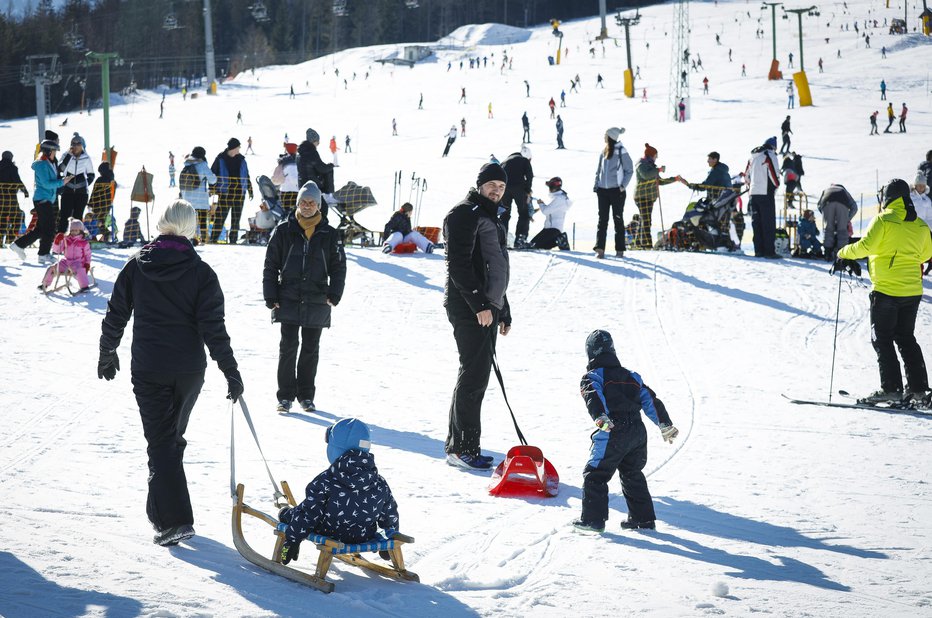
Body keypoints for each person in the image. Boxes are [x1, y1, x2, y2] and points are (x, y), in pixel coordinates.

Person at [98, 200, 243, 546]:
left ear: (162, 223)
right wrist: (230, 369)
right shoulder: (201, 272)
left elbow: (116, 313)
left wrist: (107, 351)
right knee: (168, 441)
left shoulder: (136, 266)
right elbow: (213, 327)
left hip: (150, 367)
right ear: (190, 228)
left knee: (163, 443)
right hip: (189, 371)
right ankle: (161, 513)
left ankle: (174, 520)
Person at [835, 179, 932, 404]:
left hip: (887, 291)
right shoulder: (919, 225)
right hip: (912, 291)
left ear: (887, 197)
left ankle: (892, 389)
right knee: (906, 338)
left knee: (883, 339)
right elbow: (927, 253)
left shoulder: (883, 220)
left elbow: (865, 247)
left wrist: (843, 252)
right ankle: (918, 390)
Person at [443, 163, 512, 470]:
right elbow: (458, 265)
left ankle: (463, 445)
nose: (497, 190)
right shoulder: (463, 214)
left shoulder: (490, 216)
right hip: (469, 306)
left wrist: (502, 308)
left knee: (478, 375)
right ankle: (461, 449)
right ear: (480, 185)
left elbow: (494, 267)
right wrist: (479, 305)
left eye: (501, 186)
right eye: (492, 185)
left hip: (487, 307)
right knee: (473, 375)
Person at [573, 330, 678, 533]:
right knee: (632, 473)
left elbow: (593, 396)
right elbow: (650, 400)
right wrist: (664, 423)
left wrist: (601, 417)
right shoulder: (631, 376)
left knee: (596, 474)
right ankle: (643, 519)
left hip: (612, 428)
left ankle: (593, 520)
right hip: (637, 432)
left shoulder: (592, 376)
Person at [263, 181, 346, 414]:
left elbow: (338, 266)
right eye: (303, 202)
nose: (307, 206)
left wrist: (335, 293)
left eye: (311, 202)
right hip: (288, 296)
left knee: (311, 347)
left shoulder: (329, 234)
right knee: (288, 346)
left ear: (318, 205)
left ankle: (306, 396)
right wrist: (270, 294)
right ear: (297, 203)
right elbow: (271, 265)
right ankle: (285, 396)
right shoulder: (283, 230)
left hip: (318, 298)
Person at [277, 418, 399, 564]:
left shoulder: (325, 480)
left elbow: (309, 514)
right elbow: (389, 512)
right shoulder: (379, 482)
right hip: (364, 535)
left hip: (329, 533)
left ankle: (286, 513)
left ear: (335, 449)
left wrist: (292, 540)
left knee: (295, 514)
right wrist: (390, 539)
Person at [10, 140, 72, 264]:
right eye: (54, 151)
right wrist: (62, 182)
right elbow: (46, 183)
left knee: (41, 229)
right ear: (49, 151)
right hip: (42, 199)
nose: (55, 154)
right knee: (49, 228)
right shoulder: (42, 165)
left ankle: (19, 245)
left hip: (47, 199)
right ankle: (43, 254)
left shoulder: (50, 162)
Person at [593, 127, 634, 258]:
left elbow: (629, 170)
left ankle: (620, 250)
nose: (603, 137)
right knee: (602, 220)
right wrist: (596, 185)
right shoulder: (603, 151)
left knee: (618, 219)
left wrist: (622, 186)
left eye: (605, 135)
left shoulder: (621, 150)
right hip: (603, 191)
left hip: (617, 191)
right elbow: (598, 170)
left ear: (611, 137)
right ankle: (600, 249)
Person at [632, 144, 677, 250]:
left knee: (644, 219)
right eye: (656, 155)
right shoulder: (641, 164)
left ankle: (638, 243)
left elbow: (659, 181)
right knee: (647, 220)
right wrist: (659, 170)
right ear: (651, 155)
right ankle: (647, 245)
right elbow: (646, 175)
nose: (656, 158)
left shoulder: (652, 166)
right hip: (641, 196)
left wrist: (674, 179)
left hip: (649, 197)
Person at [210, 138, 253, 244]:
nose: (239, 149)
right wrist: (212, 188)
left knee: (236, 219)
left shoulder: (241, 159)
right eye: (238, 147)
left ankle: (233, 240)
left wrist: (250, 189)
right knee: (220, 217)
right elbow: (212, 174)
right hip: (225, 193)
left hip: (239, 193)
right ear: (233, 148)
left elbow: (246, 175)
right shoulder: (220, 158)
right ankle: (213, 239)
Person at [745, 136, 781, 259]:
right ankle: (769, 252)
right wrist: (776, 185)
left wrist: (751, 187)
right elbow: (773, 172)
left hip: (753, 194)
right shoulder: (769, 155)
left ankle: (758, 251)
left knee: (757, 223)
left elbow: (746, 176)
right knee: (768, 223)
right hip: (766, 193)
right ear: (773, 146)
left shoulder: (752, 157)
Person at [42, 217, 93, 292]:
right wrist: (57, 241)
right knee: (52, 268)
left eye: (76, 230)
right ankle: (45, 284)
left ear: (81, 231)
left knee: (80, 270)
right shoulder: (66, 239)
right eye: (72, 230)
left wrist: (87, 264)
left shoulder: (83, 242)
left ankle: (84, 287)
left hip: (78, 262)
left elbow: (88, 254)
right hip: (66, 262)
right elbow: (57, 250)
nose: (74, 232)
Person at [58, 133, 95, 233]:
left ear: (82, 145)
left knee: (77, 218)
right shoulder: (66, 155)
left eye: (78, 144)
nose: (75, 146)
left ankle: (77, 240)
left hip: (81, 193)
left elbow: (91, 174)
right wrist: (69, 156)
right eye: (73, 144)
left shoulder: (86, 157)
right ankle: (60, 240)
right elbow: (60, 169)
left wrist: (85, 184)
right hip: (67, 191)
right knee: (65, 217)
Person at [179, 146, 217, 243]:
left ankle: (187, 238)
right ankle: (203, 239)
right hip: (200, 198)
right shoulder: (202, 165)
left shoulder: (186, 164)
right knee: (202, 220)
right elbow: (212, 180)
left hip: (187, 198)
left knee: (189, 220)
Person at [296, 128, 335, 218]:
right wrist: (331, 165)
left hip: (302, 185)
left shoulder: (300, 153)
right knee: (323, 208)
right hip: (312, 185)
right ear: (314, 141)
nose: (319, 143)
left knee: (306, 208)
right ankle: (329, 195)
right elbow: (322, 168)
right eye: (318, 141)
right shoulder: (312, 152)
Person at [500, 146, 534, 248]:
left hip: (504, 189)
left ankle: (502, 239)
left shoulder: (504, 162)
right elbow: (530, 175)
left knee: (504, 214)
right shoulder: (524, 160)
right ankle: (520, 239)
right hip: (519, 188)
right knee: (524, 213)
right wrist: (528, 189)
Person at [817, 183, 858, 261]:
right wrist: (847, 218)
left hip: (827, 203)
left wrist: (826, 215)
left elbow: (819, 205)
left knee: (829, 230)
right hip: (842, 205)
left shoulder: (826, 190)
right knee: (842, 231)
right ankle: (842, 256)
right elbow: (854, 207)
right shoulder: (843, 190)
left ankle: (827, 254)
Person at [528, 177, 571, 250]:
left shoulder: (559, 199)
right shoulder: (560, 198)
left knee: (534, 245)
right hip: (550, 229)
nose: (549, 189)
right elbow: (550, 210)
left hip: (552, 229)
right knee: (536, 245)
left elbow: (546, 211)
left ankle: (561, 238)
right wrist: (543, 205)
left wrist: (541, 204)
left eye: (550, 187)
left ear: (553, 187)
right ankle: (559, 240)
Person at [0, 151, 28, 247]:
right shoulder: (12, 168)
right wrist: (25, 191)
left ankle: (0, 242)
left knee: (1, 220)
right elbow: (17, 180)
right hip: (11, 200)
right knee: (16, 218)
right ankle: (9, 240)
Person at [87, 162, 115, 243]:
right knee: (101, 221)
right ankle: (105, 236)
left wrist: (90, 203)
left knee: (96, 222)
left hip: (98, 204)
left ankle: (103, 235)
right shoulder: (111, 180)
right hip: (107, 205)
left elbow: (95, 192)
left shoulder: (100, 179)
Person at [272, 143, 300, 215]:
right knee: (295, 213)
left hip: (284, 191)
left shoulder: (282, 161)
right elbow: (294, 179)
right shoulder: (295, 162)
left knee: (285, 213)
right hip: (295, 191)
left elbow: (274, 178)